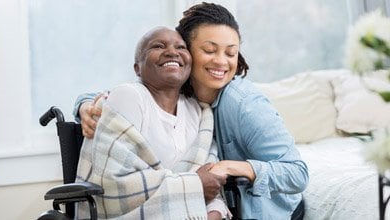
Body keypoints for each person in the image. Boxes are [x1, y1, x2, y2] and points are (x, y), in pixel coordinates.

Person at [75, 3, 309, 219]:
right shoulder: (178, 91)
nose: (221, 62)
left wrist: (232, 167)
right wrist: (85, 106)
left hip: (267, 210)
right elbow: (117, 95)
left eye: (230, 53)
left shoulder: (244, 104)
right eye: (209, 50)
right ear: (187, 51)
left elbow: (297, 173)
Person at [75, 26, 229, 219]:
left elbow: (212, 185)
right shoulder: (129, 96)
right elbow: (112, 185)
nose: (172, 52)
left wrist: (213, 212)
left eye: (181, 48)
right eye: (158, 46)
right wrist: (194, 184)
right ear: (137, 68)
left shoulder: (199, 111)